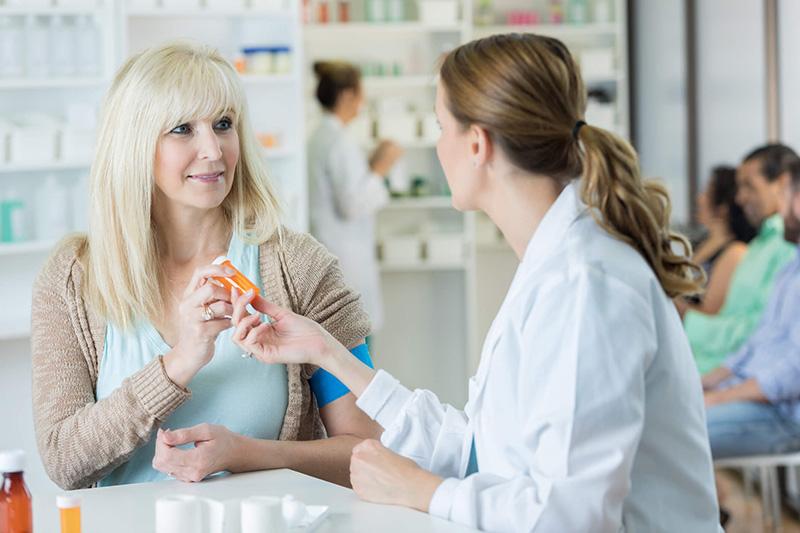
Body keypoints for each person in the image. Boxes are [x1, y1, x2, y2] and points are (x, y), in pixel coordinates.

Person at [227, 34, 721, 531]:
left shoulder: (584, 284)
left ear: (478, 143)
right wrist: (327, 352)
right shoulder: (552, 263)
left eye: (442, 127)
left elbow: (570, 515)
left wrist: (422, 490)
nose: (440, 145)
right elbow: (478, 447)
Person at [30, 42, 381, 490]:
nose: (213, 150)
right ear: (134, 146)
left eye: (223, 124)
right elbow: (64, 461)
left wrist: (249, 455)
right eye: (182, 129)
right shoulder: (73, 278)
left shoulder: (297, 266)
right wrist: (180, 362)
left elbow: (368, 453)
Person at [702, 159, 800, 459]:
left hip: (783, 416)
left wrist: (720, 398)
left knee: (667, 436)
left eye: (785, 196)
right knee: (665, 420)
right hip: (757, 401)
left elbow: (792, 375)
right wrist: (703, 385)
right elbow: (756, 342)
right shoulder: (791, 267)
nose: (779, 211)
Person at [684, 144, 799, 374]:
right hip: (719, 366)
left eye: (749, 186)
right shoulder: (758, 245)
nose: (740, 197)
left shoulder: (786, 247)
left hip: (737, 372)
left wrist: (685, 317)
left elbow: (756, 333)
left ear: (782, 184)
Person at [307, 61, 403, 333]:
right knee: (354, 343)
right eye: (360, 93)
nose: (363, 100)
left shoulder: (322, 137)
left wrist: (371, 168)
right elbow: (350, 205)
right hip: (346, 259)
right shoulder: (339, 141)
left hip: (335, 253)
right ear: (349, 96)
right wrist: (380, 168)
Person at [682, 165, 756, 315]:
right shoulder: (701, 242)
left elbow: (709, 314)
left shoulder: (735, 252)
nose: (699, 198)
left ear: (724, 207)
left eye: (707, 192)